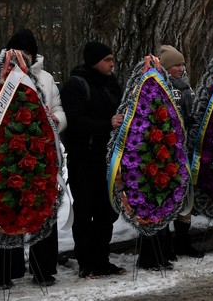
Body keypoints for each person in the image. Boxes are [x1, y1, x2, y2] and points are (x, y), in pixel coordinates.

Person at [2, 29, 67, 286]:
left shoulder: (47, 78)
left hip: (41, 152)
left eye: (28, 52)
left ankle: (43, 268)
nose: (24, 57)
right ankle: (9, 269)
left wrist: (57, 120)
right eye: (19, 52)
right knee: (8, 207)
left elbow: (59, 108)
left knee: (43, 207)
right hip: (8, 153)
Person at [61, 41, 125, 278]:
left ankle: (102, 258)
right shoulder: (76, 85)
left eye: (112, 59)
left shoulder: (111, 84)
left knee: (106, 210)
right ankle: (86, 261)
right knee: (85, 210)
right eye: (107, 60)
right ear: (94, 61)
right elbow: (75, 122)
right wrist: (107, 125)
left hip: (108, 158)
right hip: (84, 158)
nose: (112, 64)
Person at [140, 44, 204, 264]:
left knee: (185, 198)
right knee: (167, 196)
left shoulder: (187, 89)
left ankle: (183, 240)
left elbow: (192, 116)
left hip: (184, 150)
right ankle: (164, 244)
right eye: (176, 64)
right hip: (165, 152)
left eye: (183, 64)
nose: (181, 68)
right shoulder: (157, 87)